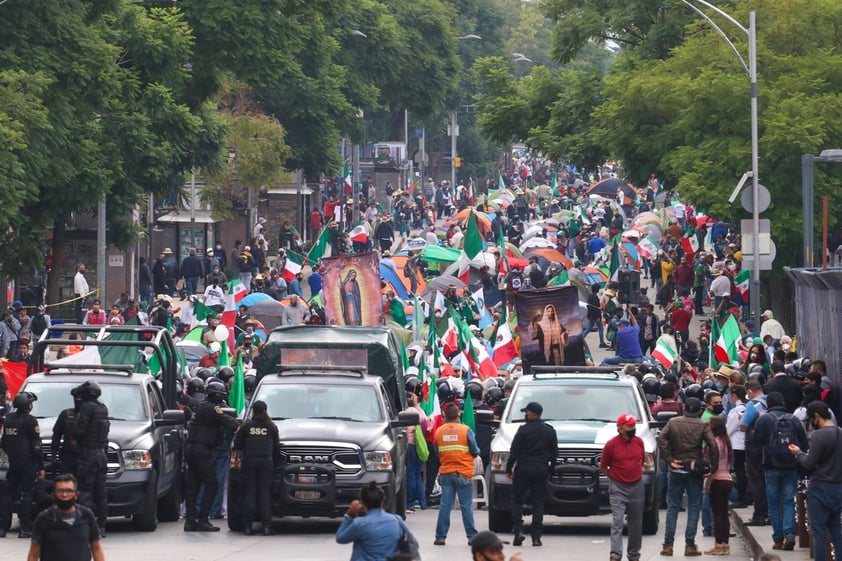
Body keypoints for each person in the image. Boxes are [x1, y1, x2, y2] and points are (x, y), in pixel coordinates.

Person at [657, 397, 718, 557]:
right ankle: (689, 544)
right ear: (699, 411)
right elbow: (713, 445)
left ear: (684, 407)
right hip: (694, 469)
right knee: (694, 507)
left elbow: (661, 438)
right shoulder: (702, 424)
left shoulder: (673, 422)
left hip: (676, 467)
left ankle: (668, 545)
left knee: (673, 507)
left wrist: (669, 459)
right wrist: (712, 467)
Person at [753, 391, 808, 551]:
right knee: (789, 501)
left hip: (770, 466)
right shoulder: (794, 419)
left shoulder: (764, 419)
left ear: (768, 405)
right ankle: (790, 533)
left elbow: (756, 443)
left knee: (773, 504)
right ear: (783, 402)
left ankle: (778, 539)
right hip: (790, 465)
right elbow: (803, 444)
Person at [788, 401, 842, 561]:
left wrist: (798, 453)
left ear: (816, 416)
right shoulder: (840, 432)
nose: (810, 424)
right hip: (838, 487)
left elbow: (809, 463)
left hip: (820, 488)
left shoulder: (819, 435)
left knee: (818, 534)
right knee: (837, 533)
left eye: (811, 419)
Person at [183, 381, 240, 532]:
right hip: (201, 451)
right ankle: (202, 520)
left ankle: (190, 521)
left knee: (193, 487)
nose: (222, 399)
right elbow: (226, 420)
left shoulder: (201, 406)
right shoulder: (212, 408)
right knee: (212, 484)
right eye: (221, 395)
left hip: (192, 449)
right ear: (215, 395)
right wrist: (241, 425)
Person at [506, 401, 557, 547]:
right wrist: (550, 471)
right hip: (541, 470)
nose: (525, 415)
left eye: (526, 412)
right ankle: (536, 537)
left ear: (530, 413)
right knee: (538, 503)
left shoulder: (523, 431)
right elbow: (554, 455)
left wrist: (509, 470)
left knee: (517, 500)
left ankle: (518, 531)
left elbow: (514, 452)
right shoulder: (549, 431)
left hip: (523, 470)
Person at [600, 414, 647, 561]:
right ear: (620, 429)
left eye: (634, 426)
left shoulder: (639, 442)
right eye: (629, 426)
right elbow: (604, 466)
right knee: (617, 521)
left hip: (636, 486)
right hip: (618, 487)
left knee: (636, 523)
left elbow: (642, 461)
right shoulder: (611, 444)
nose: (632, 429)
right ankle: (615, 554)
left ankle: (633, 555)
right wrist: (614, 478)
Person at [27, 474, 105, 561]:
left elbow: (96, 548)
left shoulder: (86, 515)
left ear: (76, 494)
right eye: (60, 491)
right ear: (53, 494)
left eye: (69, 491)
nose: (64, 495)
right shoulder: (43, 519)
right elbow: (33, 555)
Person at [434, 402, 480, 546]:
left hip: (446, 473)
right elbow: (475, 451)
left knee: (445, 505)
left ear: (445, 416)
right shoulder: (465, 430)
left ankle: (440, 537)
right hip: (463, 473)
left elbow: (437, 452)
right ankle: (472, 537)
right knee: (466, 506)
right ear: (458, 414)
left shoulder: (439, 432)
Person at [335, 481, 418, 561]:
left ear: (363, 503)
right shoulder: (397, 520)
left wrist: (350, 515)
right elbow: (414, 543)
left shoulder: (360, 524)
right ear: (382, 501)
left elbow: (340, 538)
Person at [232, 400, 279, 536]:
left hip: (250, 461)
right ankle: (266, 527)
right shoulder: (271, 427)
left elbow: (237, 444)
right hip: (266, 462)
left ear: (253, 411)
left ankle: (247, 526)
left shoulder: (247, 426)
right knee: (264, 494)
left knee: (249, 493)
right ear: (266, 410)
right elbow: (276, 447)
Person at [0, 391, 43, 538]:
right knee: (27, 494)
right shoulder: (30, 421)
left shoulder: (9, 419)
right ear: (27, 405)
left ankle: (2, 528)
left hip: (12, 463)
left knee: (8, 496)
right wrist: (41, 466)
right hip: (27, 463)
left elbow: (3, 443)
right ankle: (25, 528)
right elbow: (37, 446)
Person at [71, 381, 110, 536]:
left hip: (88, 454)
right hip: (101, 454)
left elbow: (81, 428)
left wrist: (74, 438)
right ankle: (101, 525)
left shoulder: (87, 408)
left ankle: (85, 525)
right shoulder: (103, 408)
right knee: (101, 491)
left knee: (85, 490)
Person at [704, 416, 733, 555]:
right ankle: (725, 545)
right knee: (723, 513)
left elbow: (713, 467)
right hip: (727, 478)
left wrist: (708, 483)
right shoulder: (726, 442)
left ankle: (719, 544)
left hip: (717, 480)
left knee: (717, 514)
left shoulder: (714, 444)